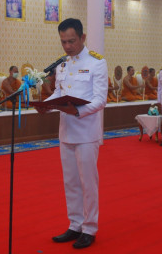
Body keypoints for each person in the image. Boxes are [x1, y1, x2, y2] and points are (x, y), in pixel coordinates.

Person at [35, 18, 108, 249]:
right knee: (71, 182)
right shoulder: (62, 65)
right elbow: (58, 91)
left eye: (71, 41)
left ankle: (89, 228)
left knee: (88, 183)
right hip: (66, 131)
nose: (67, 46)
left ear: (82, 37)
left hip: (86, 132)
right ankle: (75, 224)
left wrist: (77, 111)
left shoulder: (97, 63)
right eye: (63, 42)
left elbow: (100, 99)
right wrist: (46, 104)